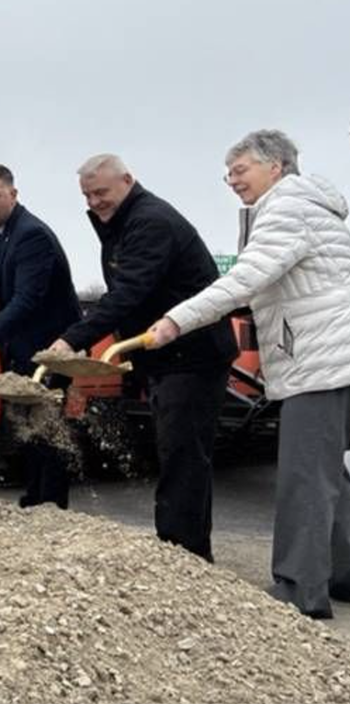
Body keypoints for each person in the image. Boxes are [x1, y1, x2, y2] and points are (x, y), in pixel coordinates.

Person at [149, 130, 350, 619]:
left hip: (321, 362)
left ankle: (300, 589)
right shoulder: (317, 208)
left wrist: (177, 319)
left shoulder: (285, 208)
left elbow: (245, 279)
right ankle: (342, 576)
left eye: (240, 170)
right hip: (339, 354)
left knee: (305, 476)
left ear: (275, 166)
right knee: (334, 476)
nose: (231, 180)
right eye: (228, 172)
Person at [49, 154, 237, 561]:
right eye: (87, 195)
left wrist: (72, 339)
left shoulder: (150, 221)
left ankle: (181, 555)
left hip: (193, 353)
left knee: (183, 455)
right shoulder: (120, 221)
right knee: (178, 453)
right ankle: (185, 551)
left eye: (101, 191)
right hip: (167, 354)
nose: (94, 201)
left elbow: (129, 290)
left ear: (127, 180)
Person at [0, 163, 81, 509]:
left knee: (47, 424)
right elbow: (10, 279)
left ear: (13, 194)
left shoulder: (31, 234)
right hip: (24, 342)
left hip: (52, 345)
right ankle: (34, 496)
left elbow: (28, 298)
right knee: (26, 423)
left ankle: (52, 504)